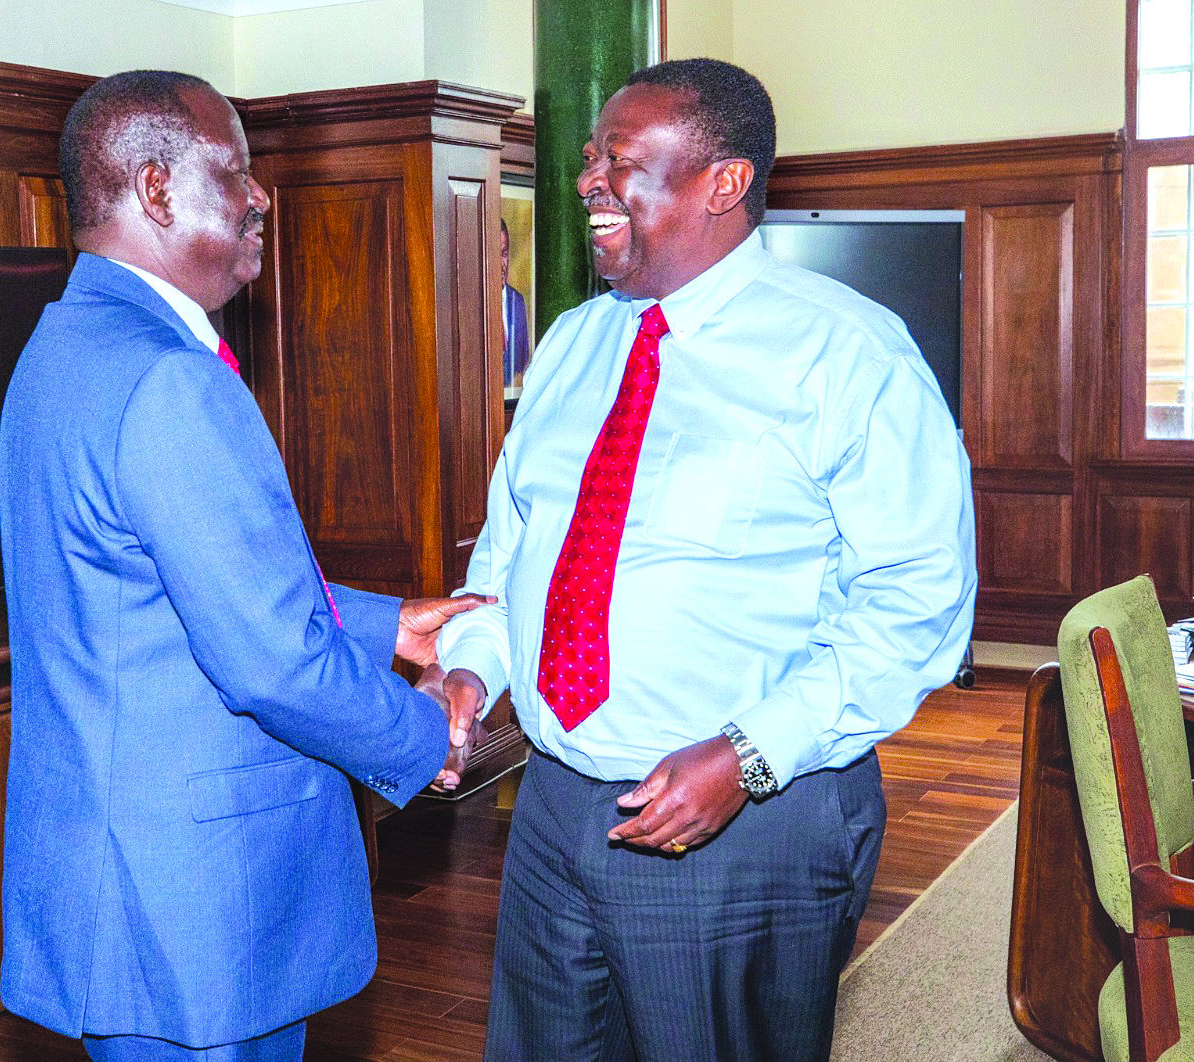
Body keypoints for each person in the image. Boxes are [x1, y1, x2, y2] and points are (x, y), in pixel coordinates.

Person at [435, 58, 976, 1062]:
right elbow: (512, 551)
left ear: (723, 184)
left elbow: (916, 606)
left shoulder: (849, 355)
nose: (590, 181)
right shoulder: (569, 346)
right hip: (552, 807)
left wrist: (750, 753)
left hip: (746, 825)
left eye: (623, 162)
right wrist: (473, 666)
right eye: (590, 158)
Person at [0, 70, 484, 1062]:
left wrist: (375, 623)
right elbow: (268, 660)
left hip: (122, 878)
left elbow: (155, 590)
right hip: (194, 911)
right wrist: (421, 730)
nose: (260, 197)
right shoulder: (169, 379)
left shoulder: (66, 344)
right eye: (234, 171)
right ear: (156, 189)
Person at [501, 219, 532, 391]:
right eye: (495, 255)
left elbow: (523, 361)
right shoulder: (470, 302)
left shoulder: (517, 301)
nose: (501, 264)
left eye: (504, 254)